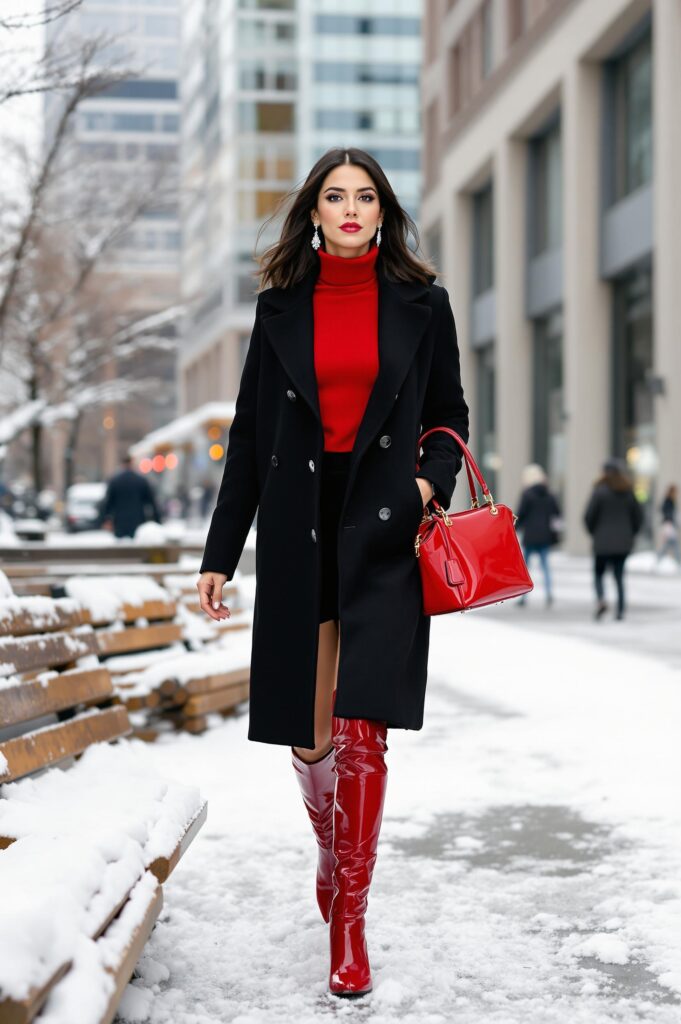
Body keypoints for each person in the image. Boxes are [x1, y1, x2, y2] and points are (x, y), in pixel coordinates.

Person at [196, 148, 469, 998]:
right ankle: (328, 839)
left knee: (364, 730)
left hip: (385, 523)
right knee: (312, 734)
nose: (349, 209)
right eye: (332, 196)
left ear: (381, 212)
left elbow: (446, 413)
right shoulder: (279, 309)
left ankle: (349, 916)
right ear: (312, 213)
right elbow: (246, 439)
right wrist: (220, 553)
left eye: (363, 196)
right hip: (297, 525)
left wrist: (424, 482)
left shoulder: (424, 305)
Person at [583, 457, 643, 621]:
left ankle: (601, 600)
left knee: (598, 574)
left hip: (602, 542)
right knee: (619, 576)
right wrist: (631, 533)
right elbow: (638, 516)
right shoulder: (628, 490)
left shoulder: (599, 491)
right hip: (623, 543)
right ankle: (621, 610)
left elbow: (589, 516)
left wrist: (594, 532)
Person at [515, 463, 561, 607]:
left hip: (530, 534)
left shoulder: (527, 494)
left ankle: (523, 596)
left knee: (526, 567)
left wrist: (514, 529)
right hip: (545, 534)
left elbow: (521, 514)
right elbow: (557, 514)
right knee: (545, 566)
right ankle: (549, 593)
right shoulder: (550, 494)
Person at [96, 454, 162, 539]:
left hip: (119, 521)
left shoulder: (115, 480)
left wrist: (103, 519)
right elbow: (151, 502)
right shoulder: (141, 480)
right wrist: (158, 520)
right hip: (138, 520)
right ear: (132, 463)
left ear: (122, 464)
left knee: (121, 548)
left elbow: (107, 502)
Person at [656, 484, 681, 568]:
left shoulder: (671, 500)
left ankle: (658, 559)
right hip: (668, 525)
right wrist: (670, 519)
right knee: (674, 544)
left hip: (670, 525)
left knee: (668, 545)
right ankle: (679, 562)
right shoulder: (668, 500)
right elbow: (665, 511)